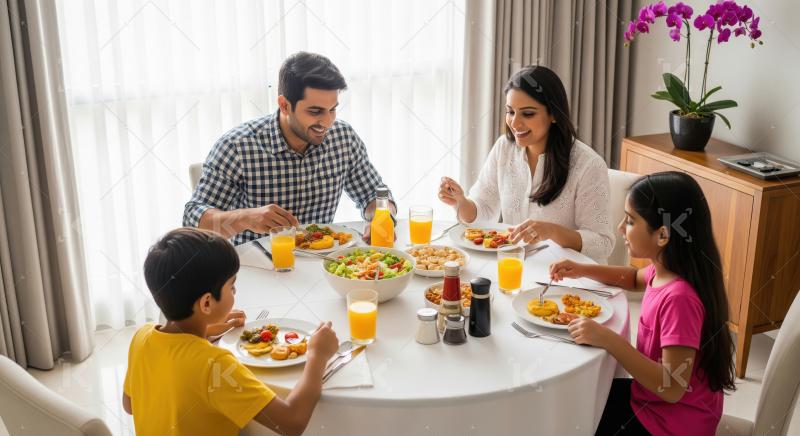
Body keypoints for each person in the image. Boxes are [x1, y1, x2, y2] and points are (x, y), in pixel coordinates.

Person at [550, 172, 737, 436]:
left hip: (669, 424)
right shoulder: (664, 270)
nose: (619, 228)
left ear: (662, 235)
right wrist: (581, 269)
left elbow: (672, 387)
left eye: (629, 221)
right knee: (579, 397)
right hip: (650, 401)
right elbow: (632, 278)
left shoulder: (680, 299)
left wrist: (607, 339)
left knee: (576, 418)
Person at [123, 227, 339, 435]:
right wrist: (317, 356)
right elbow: (291, 422)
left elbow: (129, 404)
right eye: (232, 287)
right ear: (206, 303)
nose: (235, 291)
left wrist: (205, 327)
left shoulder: (142, 336)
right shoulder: (215, 365)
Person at [183, 52, 395, 246]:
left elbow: (375, 195)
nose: (327, 122)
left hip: (321, 267)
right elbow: (193, 223)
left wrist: (380, 217)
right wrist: (245, 218)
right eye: (315, 111)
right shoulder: (237, 146)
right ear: (284, 105)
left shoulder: (343, 138)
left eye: (332, 110)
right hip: (258, 270)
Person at [438, 65, 614, 263]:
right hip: (515, 268)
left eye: (527, 114)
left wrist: (552, 231)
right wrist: (461, 202)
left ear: (553, 114)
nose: (514, 123)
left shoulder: (588, 165)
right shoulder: (504, 148)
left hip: (568, 281)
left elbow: (602, 244)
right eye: (510, 112)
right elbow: (484, 213)